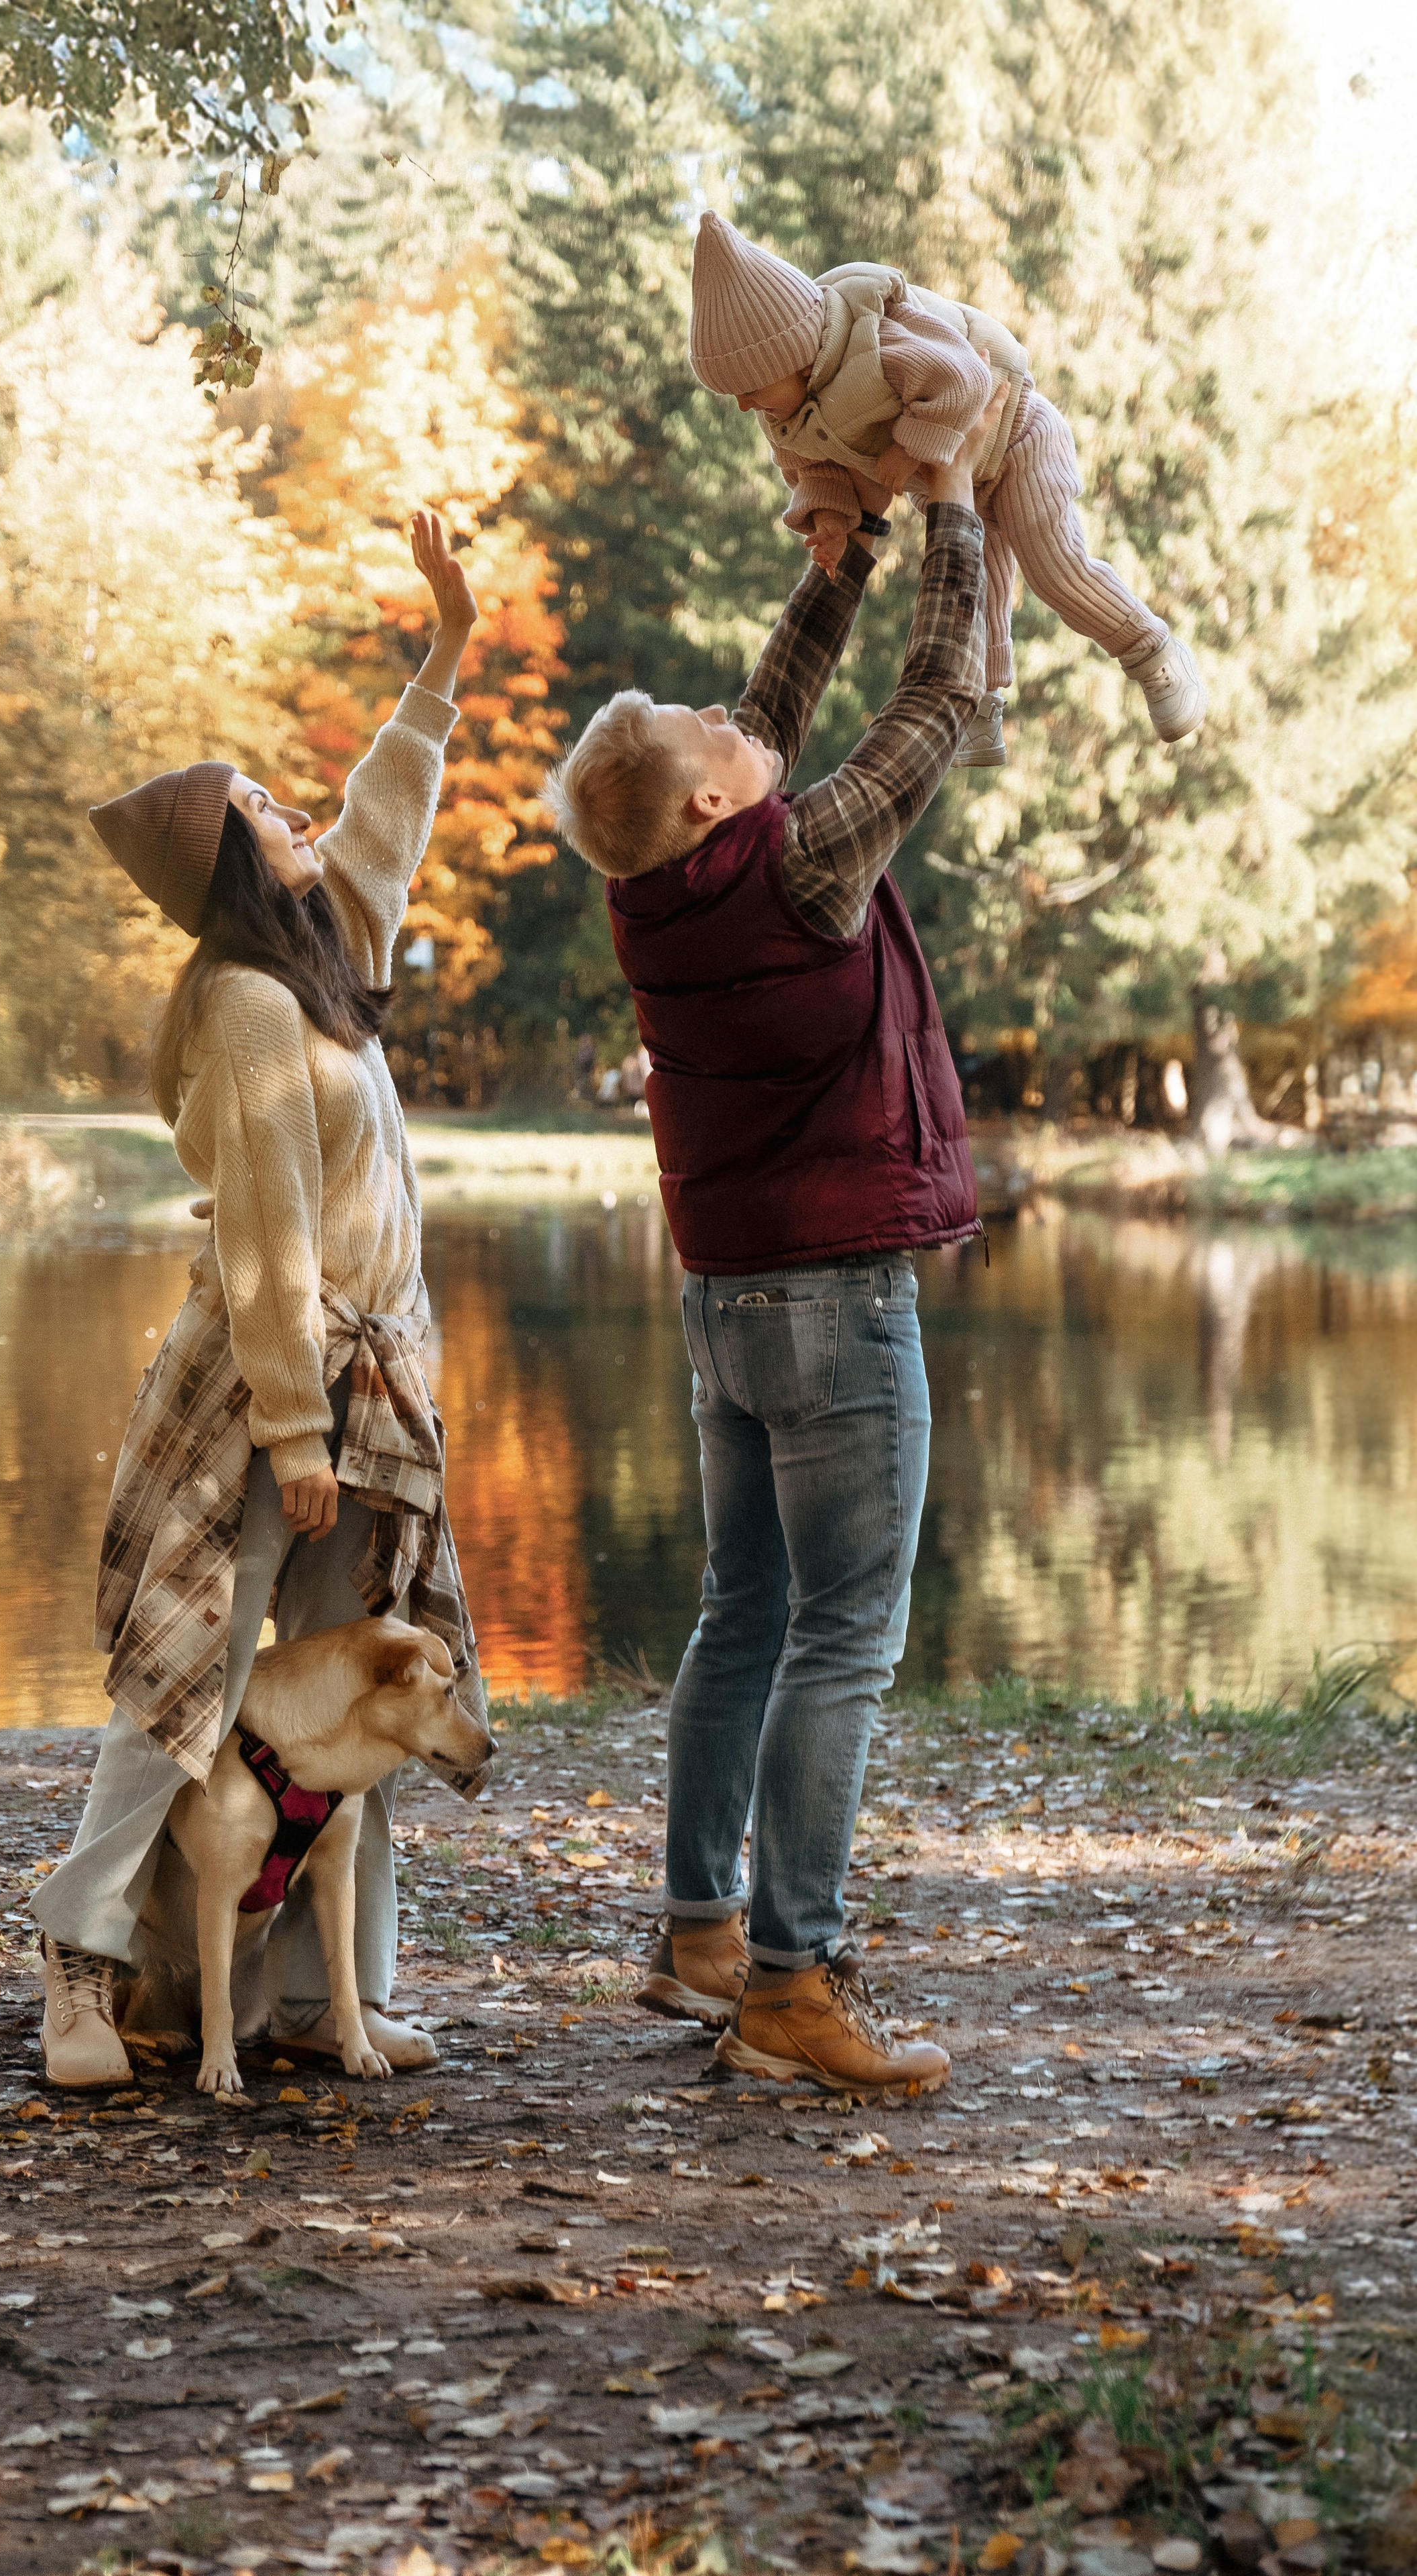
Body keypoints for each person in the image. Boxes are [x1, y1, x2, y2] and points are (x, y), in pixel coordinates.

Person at [542, 374, 1015, 2098]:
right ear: (706, 808)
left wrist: (839, 553)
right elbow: (937, 703)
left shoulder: (657, 882)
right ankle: (793, 1976)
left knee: (740, 1610)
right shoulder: (800, 865)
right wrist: (951, 504)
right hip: (827, 1305)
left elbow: (763, 710)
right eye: (715, 742)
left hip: (725, 1306)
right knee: (838, 1637)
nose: (744, 729)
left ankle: (693, 1928)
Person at [34, 512, 487, 2090]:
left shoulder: (324, 952)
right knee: (198, 1679)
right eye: (263, 809)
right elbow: (270, 1235)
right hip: (266, 1392)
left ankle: (318, 1997)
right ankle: (80, 1971)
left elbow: (383, 814)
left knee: (339, 1676)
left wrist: (443, 644)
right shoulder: (238, 1007)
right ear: (231, 863)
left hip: (372, 1387)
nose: (299, 812)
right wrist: (294, 1424)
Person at [686, 210, 1206, 767]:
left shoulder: (878, 343)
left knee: (1054, 569)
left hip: (1017, 437)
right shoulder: (784, 414)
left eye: (749, 387)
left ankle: (1153, 651)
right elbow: (817, 471)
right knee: (970, 591)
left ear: (789, 353)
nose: (743, 405)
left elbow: (966, 378)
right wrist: (832, 520)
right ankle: (980, 706)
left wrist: (908, 446)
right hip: (952, 482)